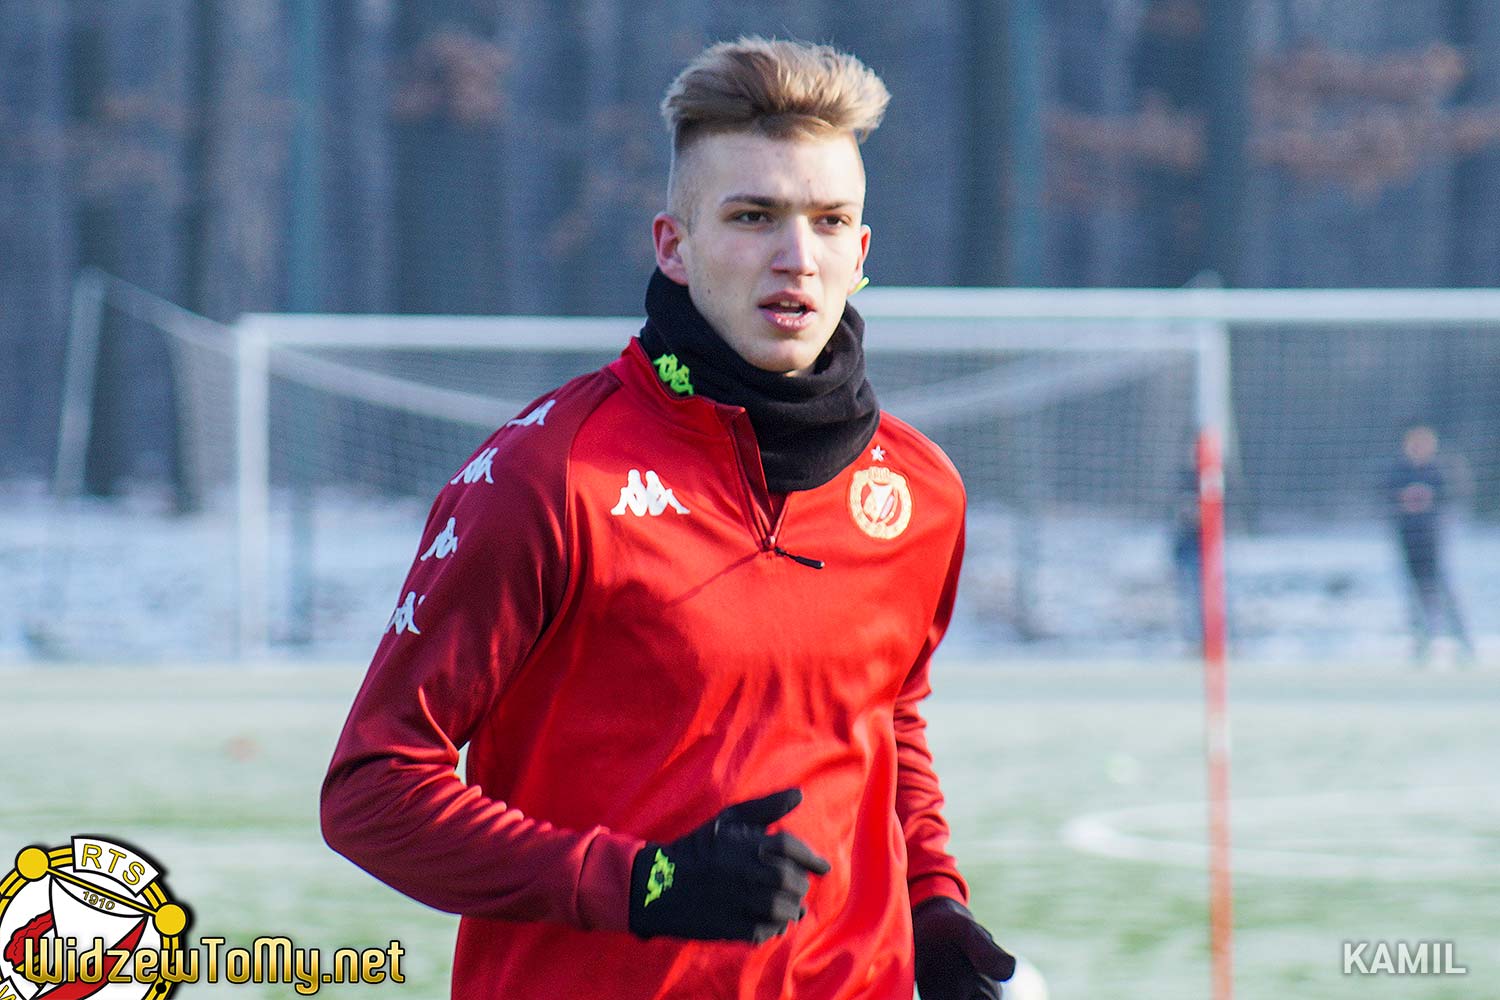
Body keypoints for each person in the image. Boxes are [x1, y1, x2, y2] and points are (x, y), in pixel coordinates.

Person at [321, 37, 1016, 999]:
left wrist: (932, 901)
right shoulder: (550, 474)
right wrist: (639, 883)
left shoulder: (920, 490)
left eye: (829, 221)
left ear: (860, 254)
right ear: (673, 246)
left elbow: (885, 717)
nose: (795, 257)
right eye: (752, 217)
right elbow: (373, 792)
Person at [1385, 424, 1474, 663]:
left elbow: (1454, 496)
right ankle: (1421, 643)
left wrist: (1429, 502)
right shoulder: (1398, 472)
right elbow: (1385, 498)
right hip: (1407, 539)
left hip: (1433, 539)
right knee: (1414, 594)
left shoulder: (1439, 471)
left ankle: (1462, 643)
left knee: (1442, 591)